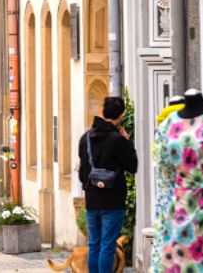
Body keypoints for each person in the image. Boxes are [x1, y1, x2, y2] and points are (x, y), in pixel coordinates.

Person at [78, 96, 138, 273]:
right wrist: (128, 143)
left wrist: (90, 187)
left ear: (102, 112)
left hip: (92, 198)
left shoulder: (85, 138)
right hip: (113, 200)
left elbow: (82, 172)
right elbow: (132, 166)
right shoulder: (117, 140)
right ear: (121, 115)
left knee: (94, 244)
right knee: (108, 245)